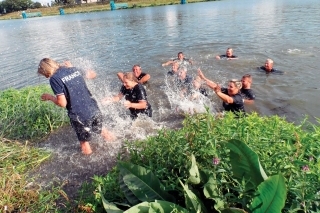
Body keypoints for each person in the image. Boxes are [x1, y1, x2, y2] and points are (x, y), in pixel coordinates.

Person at [37, 58, 115, 155]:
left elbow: (62, 103)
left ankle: (90, 165)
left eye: (44, 74)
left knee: (84, 143)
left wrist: (50, 97)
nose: (46, 77)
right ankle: (119, 147)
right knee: (102, 130)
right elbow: (93, 74)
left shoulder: (54, 79)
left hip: (79, 115)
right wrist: (74, 71)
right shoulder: (72, 69)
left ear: (46, 70)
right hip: (93, 107)